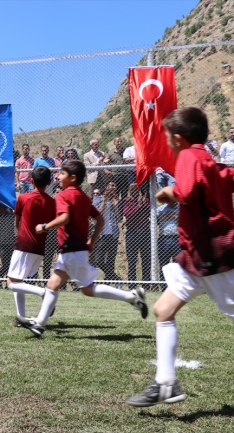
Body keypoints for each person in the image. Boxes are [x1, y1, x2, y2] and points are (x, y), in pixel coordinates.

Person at [127, 107, 234, 407]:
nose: (168, 144)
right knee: (163, 310)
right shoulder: (208, 158)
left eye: (167, 138)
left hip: (211, 255)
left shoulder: (188, 157)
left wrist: (168, 192)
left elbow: (186, 192)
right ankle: (165, 383)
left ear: (177, 138)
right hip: (197, 256)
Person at [16, 160, 148, 338]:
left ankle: (132, 297)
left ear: (73, 178)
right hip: (76, 250)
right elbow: (100, 220)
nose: (58, 176)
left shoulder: (64, 195)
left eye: (62, 174)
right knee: (55, 285)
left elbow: (65, 218)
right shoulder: (84, 197)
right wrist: (92, 241)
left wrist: (45, 226)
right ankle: (40, 323)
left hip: (71, 249)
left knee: (85, 288)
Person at [6, 167, 56, 322]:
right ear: (49, 182)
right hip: (40, 247)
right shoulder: (52, 202)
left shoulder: (23, 198)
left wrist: (19, 231)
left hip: (24, 245)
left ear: (31, 181)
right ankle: (21, 316)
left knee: (10, 283)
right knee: (18, 280)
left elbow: (17, 222)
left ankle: (43, 293)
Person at [91, 181, 122, 282]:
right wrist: (104, 201)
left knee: (110, 261)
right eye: (111, 185)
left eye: (115, 185)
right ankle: (116, 278)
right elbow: (95, 216)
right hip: (101, 234)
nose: (114, 187)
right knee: (98, 260)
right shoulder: (98, 199)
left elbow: (119, 219)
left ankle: (109, 282)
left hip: (113, 234)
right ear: (106, 187)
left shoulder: (117, 200)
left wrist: (116, 205)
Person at [122, 183, 151, 285]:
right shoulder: (126, 200)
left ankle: (146, 284)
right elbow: (128, 214)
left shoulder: (145, 200)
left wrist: (143, 204)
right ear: (129, 190)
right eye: (132, 189)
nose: (134, 190)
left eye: (136, 188)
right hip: (132, 232)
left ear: (138, 189)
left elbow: (150, 213)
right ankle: (132, 283)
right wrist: (139, 206)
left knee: (146, 259)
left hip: (144, 231)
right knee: (132, 259)